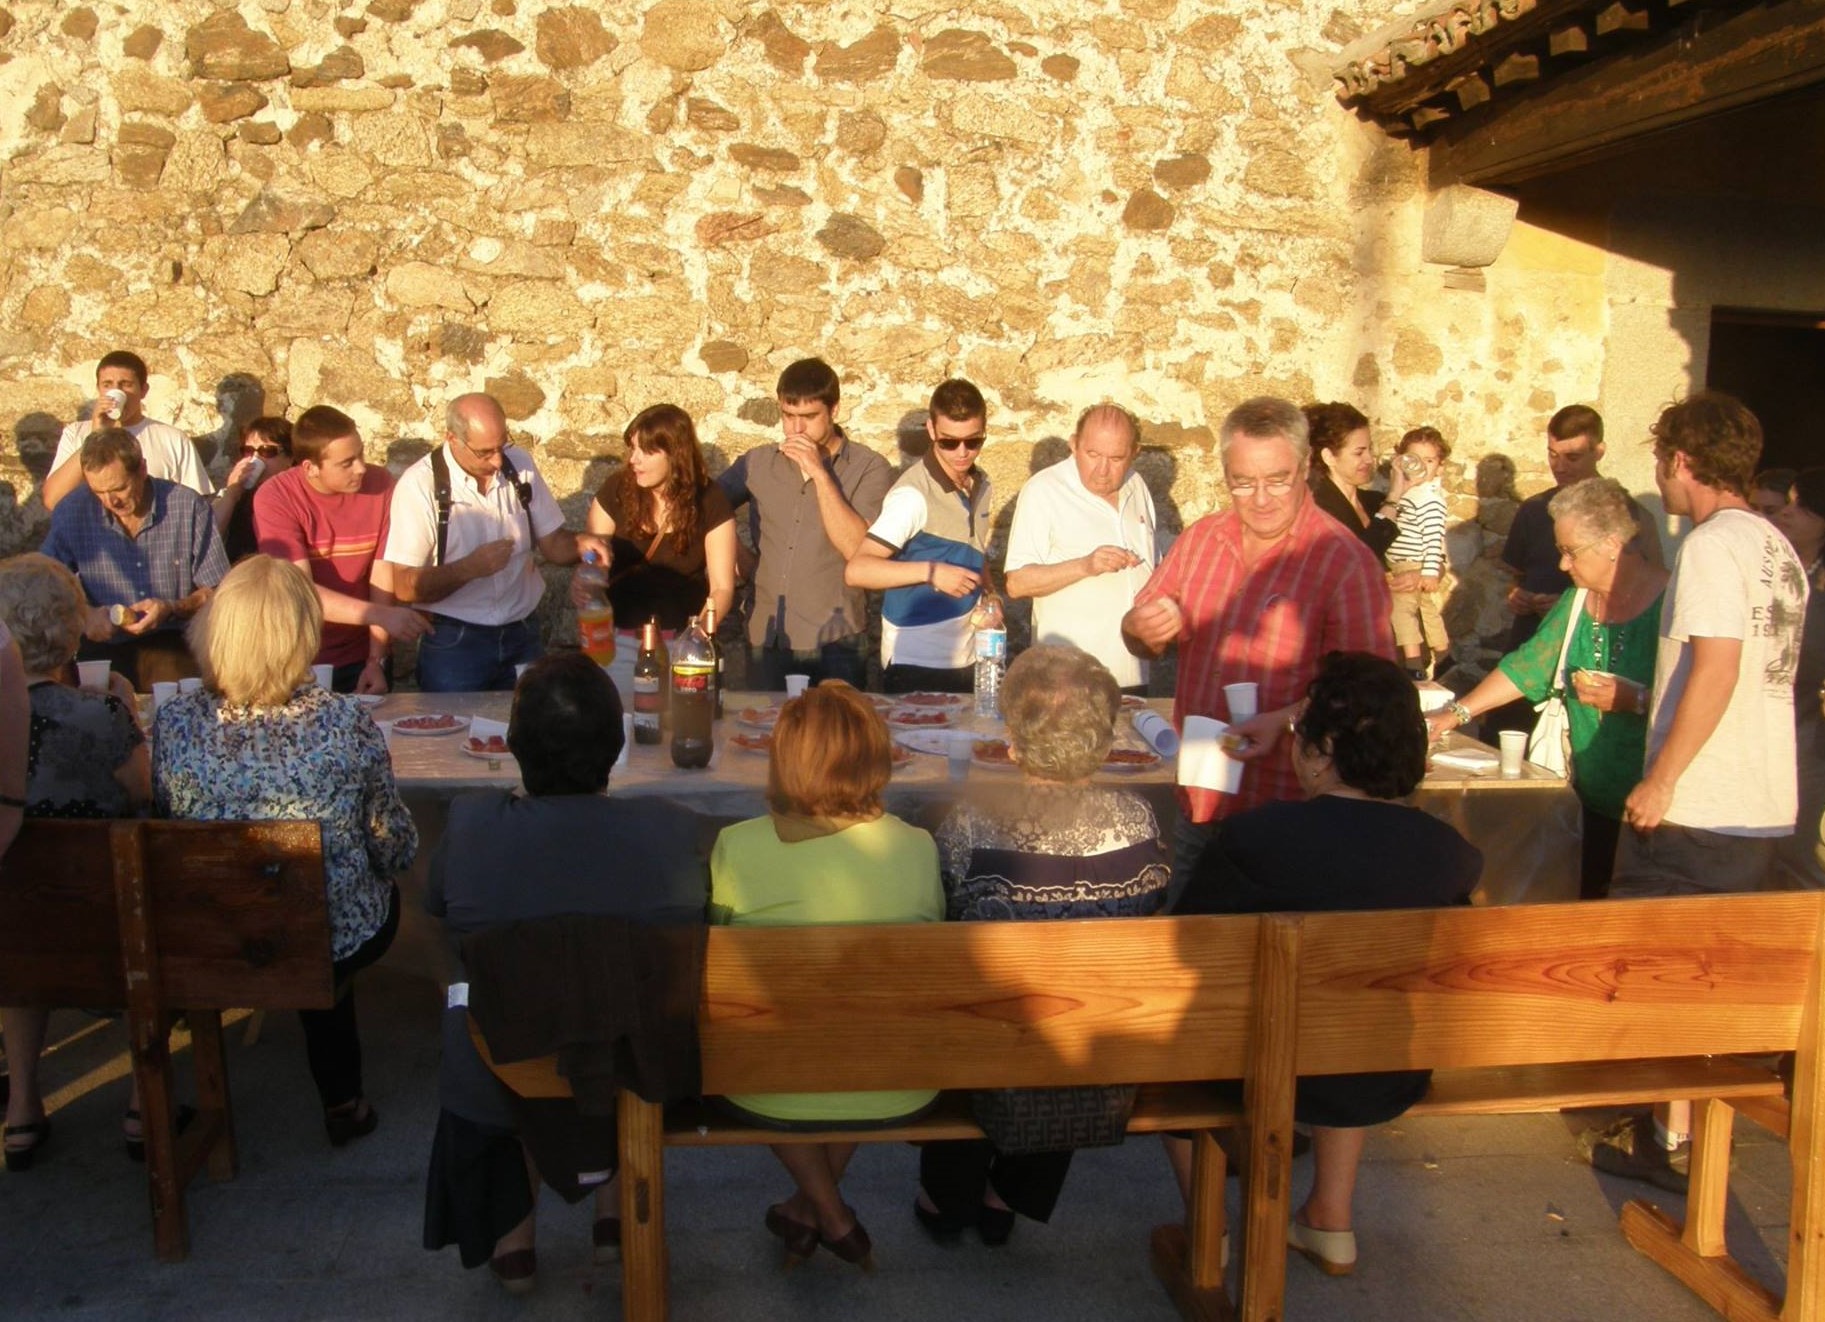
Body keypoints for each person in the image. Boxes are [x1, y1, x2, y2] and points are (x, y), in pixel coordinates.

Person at [1172, 652, 1481, 1276]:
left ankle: (1214, 1228)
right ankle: (1329, 1218)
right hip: (1383, 1068)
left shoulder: (1257, 837)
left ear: (1320, 752)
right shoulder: (1452, 855)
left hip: (1247, 1067)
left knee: (1179, 1045)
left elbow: (1185, 952)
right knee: (1359, 1020)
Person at [424, 653, 708, 1293]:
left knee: (515, 1015)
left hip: (497, 1063)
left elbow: (437, 921)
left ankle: (515, 1234)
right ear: (614, 747)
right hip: (635, 1062)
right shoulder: (671, 831)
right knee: (606, 1007)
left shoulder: (470, 829)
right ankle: (612, 1214)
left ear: (514, 747)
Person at [1581, 392, 1807, 1189]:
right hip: (1758, 802)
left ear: (1682, 462)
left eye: (1659, 462)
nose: (1658, 479)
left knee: (1655, 974)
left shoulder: (1713, 546)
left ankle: (1669, 1138)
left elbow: (1717, 666)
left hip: (1701, 802)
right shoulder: (1775, 546)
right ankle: (1674, 1130)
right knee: (1703, 981)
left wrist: (1660, 776)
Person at [155, 557, 417, 1146]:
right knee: (337, 907)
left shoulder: (174, 723)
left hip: (213, 927)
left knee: (301, 904)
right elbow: (394, 845)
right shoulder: (345, 721)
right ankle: (342, 1099)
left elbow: (169, 818)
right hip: (327, 933)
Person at [917, 646, 1168, 1245]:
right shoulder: (1139, 822)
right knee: (1082, 1005)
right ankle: (1009, 1194)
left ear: (1013, 743)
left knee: (974, 1000)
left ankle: (948, 1196)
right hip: (1096, 1052)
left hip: (993, 1044)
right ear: (1106, 741)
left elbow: (943, 925)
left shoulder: (972, 823)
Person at [1120, 396, 1395, 900]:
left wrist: (1288, 720)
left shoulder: (1344, 561)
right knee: (1188, 953)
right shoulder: (1201, 539)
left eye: (1277, 480)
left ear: (1307, 467)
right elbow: (1138, 630)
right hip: (1201, 799)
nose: (1261, 499)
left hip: (1290, 814)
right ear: (1225, 473)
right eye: (1243, 483)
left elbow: (1370, 694)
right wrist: (1139, 628)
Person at [709, 682, 943, 1269]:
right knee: (862, 1026)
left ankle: (823, 1213)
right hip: (897, 1078)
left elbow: (715, 954)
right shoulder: (916, 848)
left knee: (788, 1040)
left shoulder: (736, 847)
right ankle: (819, 1210)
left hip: (763, 1078)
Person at [1427, 479, 1665, 898]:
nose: (1562, 566)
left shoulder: (1674, 602)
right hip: (1585, 800)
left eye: (1571, 552)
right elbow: (1528, 667)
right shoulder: (1577, 601)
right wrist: (1455, 714)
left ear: (1612, 543)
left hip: (1654, 812)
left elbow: (1702, 693)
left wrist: (1638, 700)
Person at [0, 555, 153, 1170]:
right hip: (108, 928)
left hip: (14, 930)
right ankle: (145, 1101)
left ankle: (22, 1110)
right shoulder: (99, 715)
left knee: (21, 930)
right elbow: (146, 791)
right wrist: (127, 715)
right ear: (67, 629)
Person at [380, 393, 607, 692]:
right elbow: (405, 585)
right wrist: (469, 568)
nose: (498, 460)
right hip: (456, 641)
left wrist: (582, 544)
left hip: (523, 631)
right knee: (454, 732)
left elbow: (552, 543)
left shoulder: (519, 465)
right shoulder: (420, 485)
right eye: (485, 452)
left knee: (529, 729)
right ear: (452, 439)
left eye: (503, 445)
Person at [719, 358, 894, 690]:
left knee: (839, 739)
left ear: (834, 410)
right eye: (788, 416)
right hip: (767, 635)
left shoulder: (869, 468)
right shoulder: (758, 462)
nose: (796, 429)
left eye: (809, 417)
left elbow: (857, 549)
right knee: (763, 736)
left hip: (837, 640)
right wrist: (738, 555)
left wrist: (819, 473)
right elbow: (707, 511)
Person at [254, 405, 429, 694]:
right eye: (347, 463)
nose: (361, 467)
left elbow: (382, 574)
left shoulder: (380, 484)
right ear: (309, 467)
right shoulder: (275, 498)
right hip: (297, 659)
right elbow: (299, 590)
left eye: (360, 454)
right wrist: (381, 615)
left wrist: (376, 659)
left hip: (362, 657)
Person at [38, 428, 230, 689]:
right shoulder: (73, 510)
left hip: (174, 642)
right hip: (102, 645)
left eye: (119, 488)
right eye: (99, 492)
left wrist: (172, 608)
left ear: (142, 470)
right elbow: (43, 580)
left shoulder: (187, 506)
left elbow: (219, 589)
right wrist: (84, 614)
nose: (111, 501)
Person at [846, 379, 995, 694]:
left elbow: (974, 549)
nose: (963, 452)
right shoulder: (912, 496)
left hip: (969, 655)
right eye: (949, 442)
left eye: (974, 441)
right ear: (931, 431)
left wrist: (991, 596)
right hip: (915, 660)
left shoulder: (982, 484)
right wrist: (931, 573)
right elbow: (857, 569)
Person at [1004, 404, 1160, 692]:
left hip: (1133, 676)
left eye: (1116, 458)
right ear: (1074, 445)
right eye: (1093, 455)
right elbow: (1017, 583)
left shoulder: (1137, 485)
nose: (1103, 470)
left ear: (1134, 452)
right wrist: (1085, 566)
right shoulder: (1044, 490)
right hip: (1068, 681)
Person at [583, 402, 736, 670]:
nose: (634, 459)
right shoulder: (616, 490)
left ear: (675, 454)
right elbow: (593, 557)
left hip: (681, 639)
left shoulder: (710, 500)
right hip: (619, 640)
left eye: (646, 451)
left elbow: (722, 587)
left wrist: (696, 639)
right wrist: (587, 580)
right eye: (633, 448)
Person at [1502, 404, 1663, 651]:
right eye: (1553, 455)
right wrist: (1516, 595)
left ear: (1599, 452)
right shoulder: (1532, 510)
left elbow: (1650, 590)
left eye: (1572, 457)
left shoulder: (1632, 516)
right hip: (1530, 647)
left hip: (1590, 649)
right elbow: (1517, 576)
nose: (1559, 466)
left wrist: (1571, 606)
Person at [40, 350, 213, 512]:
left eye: (126, 385)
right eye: (108, 385)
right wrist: (95, 436)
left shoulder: (172, 439)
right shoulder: (76, 433)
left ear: (143, 390)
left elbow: (198, 505)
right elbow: (53, 501)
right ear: (98, 388)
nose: (116, 392)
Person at [1774, 469, 1825, 889]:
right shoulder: (1781, 565)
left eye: (1799, 505)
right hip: (1780, 724)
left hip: (1813, 732)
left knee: (1800, 852)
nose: (1786, 513)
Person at [1305, 401, 1406, 564]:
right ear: (1329, 457)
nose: (1369, 459)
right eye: (1359, 453)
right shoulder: (1318, 507)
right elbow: (1359, 559)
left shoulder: (1372, 501)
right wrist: (1393, 498)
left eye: (1370, 449)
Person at [218, 416, 293, 562]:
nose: (256, 457)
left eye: (267, 451)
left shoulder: (295, 496)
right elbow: (209, 537)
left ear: (290, 458)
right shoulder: (238, 497)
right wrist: (231, 492)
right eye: (248, 451)